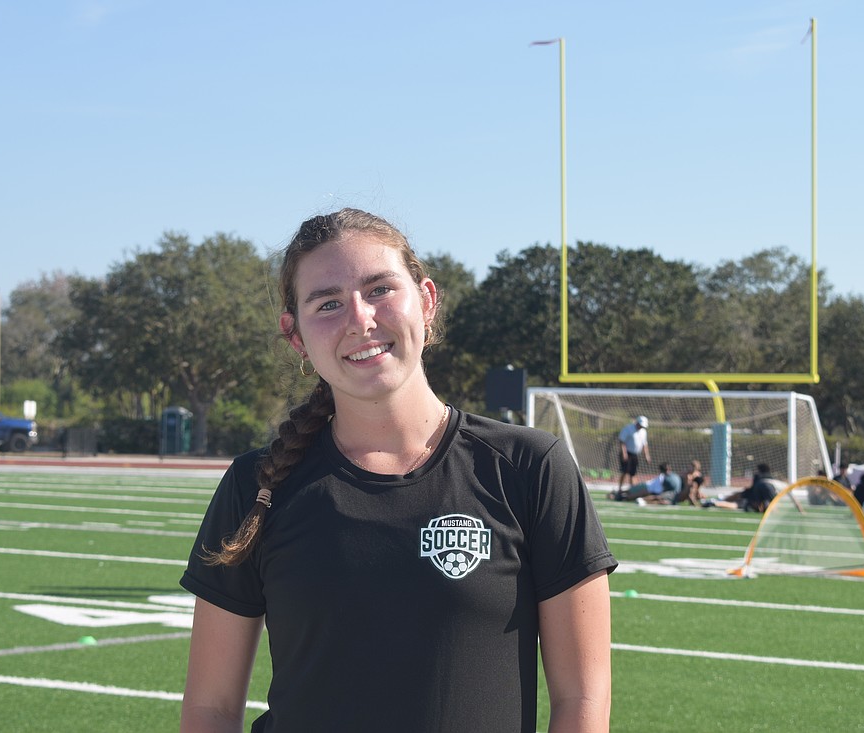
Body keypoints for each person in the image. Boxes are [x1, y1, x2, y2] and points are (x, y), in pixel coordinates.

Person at [179, 209, 616, 733]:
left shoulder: (529, 468)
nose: (359, 319)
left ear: (426, 300)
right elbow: (210, 708)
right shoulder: (258, 485)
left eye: (380, 289)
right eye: (328, 303)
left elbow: (582, 699)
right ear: (295, 337)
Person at [704, 463, 779, 512]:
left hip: (754, 496)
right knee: (739, 497)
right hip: (767, 494)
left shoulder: (758, 477)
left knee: (737, 503)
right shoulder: (770, 478)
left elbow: (754, 489)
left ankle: (716, 503)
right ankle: (719, 501)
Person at [610, 462, 681, 504]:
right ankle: (617, 494)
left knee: (631, 494)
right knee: (630, 492)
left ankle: (619, 496)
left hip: (647, 488)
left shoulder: (668, 477)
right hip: (646, 487)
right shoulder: (665, 477)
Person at [616, 415, 651, 494]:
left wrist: (646, 455)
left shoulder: (643, 432)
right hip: (627, 453)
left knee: (633, 473)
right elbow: (622, 441)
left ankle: (633, 490)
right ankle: (620, 489)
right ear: (637, 423)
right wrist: (624, 453)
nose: (641, 427)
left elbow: (645, 444)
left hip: (635, 454)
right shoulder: (628, 428)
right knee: (625, 472)